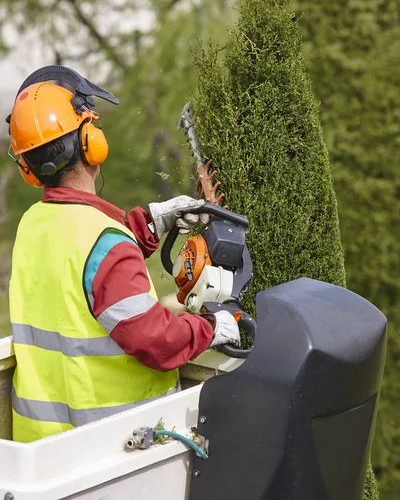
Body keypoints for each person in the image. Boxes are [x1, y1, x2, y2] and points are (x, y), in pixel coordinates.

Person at [6, 65, 240, 443]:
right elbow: (154, 338)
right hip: (113, 450)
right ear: (90, 142)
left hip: (41, 450)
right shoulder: (105, 245)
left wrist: (151, 223)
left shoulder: (33, 226)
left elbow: (80, 266)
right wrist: (212, 328)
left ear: (29, 170)